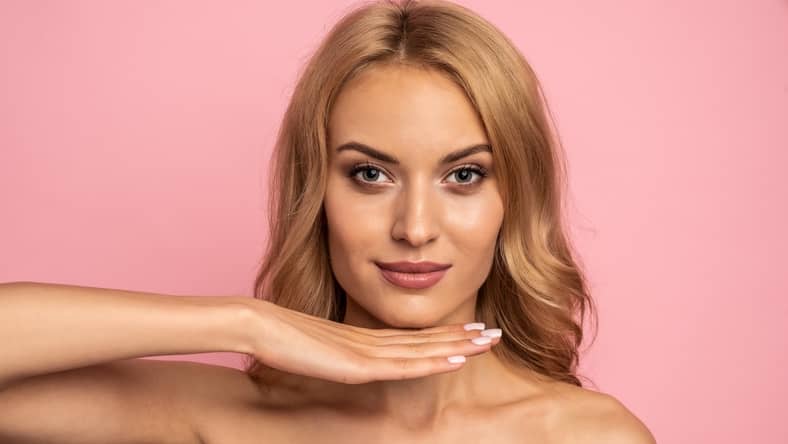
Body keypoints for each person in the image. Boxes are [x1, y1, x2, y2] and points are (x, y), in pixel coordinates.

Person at [0, 0, 656, 442]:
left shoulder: (585, 435)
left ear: (515, 197)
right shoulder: (216, 418)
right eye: (370, 174)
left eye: (464, 175)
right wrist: (241, 320)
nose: (416, 226)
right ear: (316, 192)